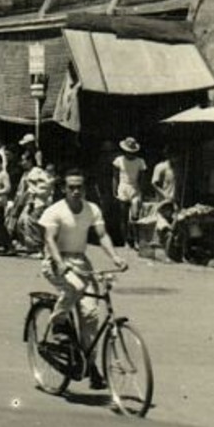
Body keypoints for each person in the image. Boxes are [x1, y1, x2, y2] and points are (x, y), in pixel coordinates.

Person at [38, 169, 126, 388]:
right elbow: (49, 239)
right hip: (56, 260)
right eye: (71, 187)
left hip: (80, 261)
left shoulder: (91, 209)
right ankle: (57, 323)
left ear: (85, 189)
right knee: (74, 287)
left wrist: (115, 257)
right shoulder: (55, 211)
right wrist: (59, 262)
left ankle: (91, 367)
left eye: (80, 187)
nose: (76, 191)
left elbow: (102, 235)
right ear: (64, 189)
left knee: (91, 316)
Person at [111, 137, 146, 247]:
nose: (129, 154)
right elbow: (115, 177)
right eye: (127, 151)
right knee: (124, 216)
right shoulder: (119, 160)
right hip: (123, 188)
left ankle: (136, 240)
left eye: (131, 152)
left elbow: (142, 179)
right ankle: (125, 241)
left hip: (135, 189)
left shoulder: (140, 162)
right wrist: (114, 190)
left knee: (135, 216)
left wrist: (141, 192)